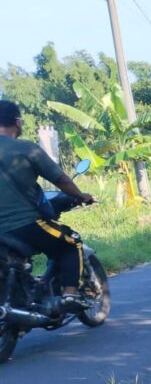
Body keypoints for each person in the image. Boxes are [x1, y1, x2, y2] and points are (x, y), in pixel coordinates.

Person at [0, 100, 95, 313]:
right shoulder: (26, 149)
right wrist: (81, 196)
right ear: (17, 122)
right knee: (71, 242)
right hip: (26, 223)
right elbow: (61, 180)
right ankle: (70, 293)